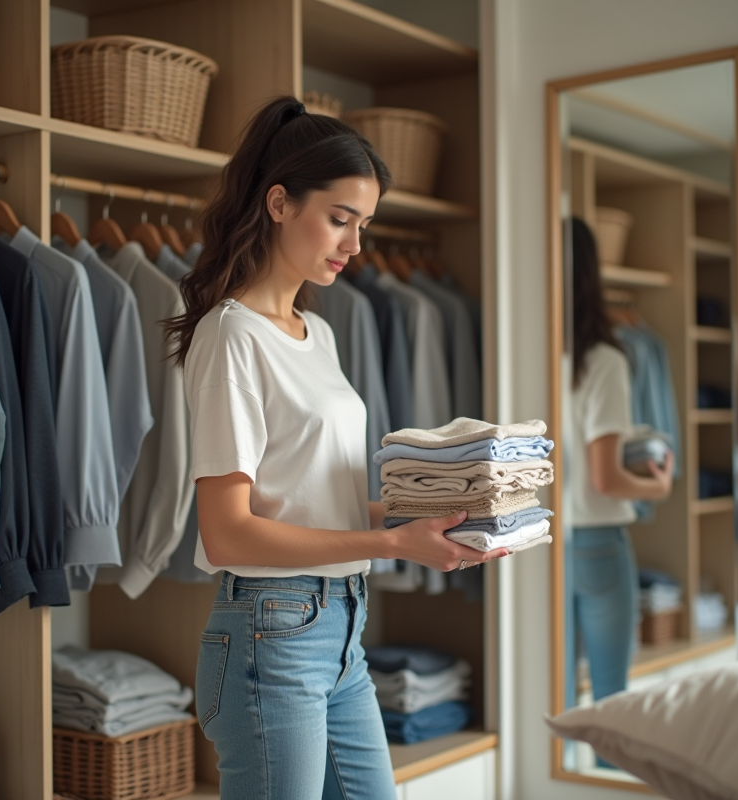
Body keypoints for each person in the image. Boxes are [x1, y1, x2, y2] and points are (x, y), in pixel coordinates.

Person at [163, 96, 507, 800]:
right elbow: (227, 534)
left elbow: (316, 492)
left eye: (364, 226)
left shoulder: (315, 331)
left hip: (342, 629)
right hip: (271, 636)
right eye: (340, 220)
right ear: (280, 202)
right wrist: (395, 546)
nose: (354, 246)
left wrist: (433, 513)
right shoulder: (231, 336)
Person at [566, 216, 673, 718]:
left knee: (553, 687)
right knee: (612, 696)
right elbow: (606, 477)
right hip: (597, 542)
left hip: (537, 538)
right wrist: (657, 487)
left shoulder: (528, 354)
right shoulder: (603, 361)